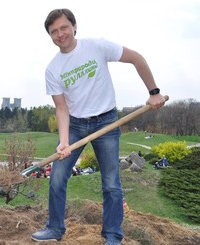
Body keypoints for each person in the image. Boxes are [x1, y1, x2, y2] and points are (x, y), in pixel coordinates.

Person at [31, 8, 166, 244]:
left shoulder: (97, 46)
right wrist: (64, 141)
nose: (60, 34)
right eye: (54, 31)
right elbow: (61, 108)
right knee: (58, 177)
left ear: (74, 27)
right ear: (50, 36)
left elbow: (136, 58)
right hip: (75, 126)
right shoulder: (53, 69)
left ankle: (113, 235)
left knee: (111, 183)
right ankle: (54, 228)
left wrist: (154, 92)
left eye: (63, 27)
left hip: (107, 121)